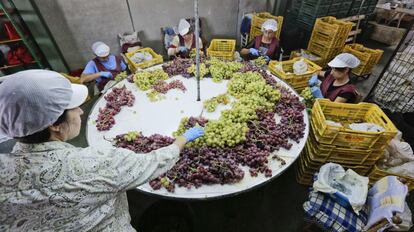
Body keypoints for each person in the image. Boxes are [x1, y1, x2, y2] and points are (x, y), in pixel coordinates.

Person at [0, 70, 204, 231]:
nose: (80, 111)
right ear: (54, 124)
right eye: (74, 107)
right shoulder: (95, 163)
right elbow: (151, 163)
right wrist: (181, 141)